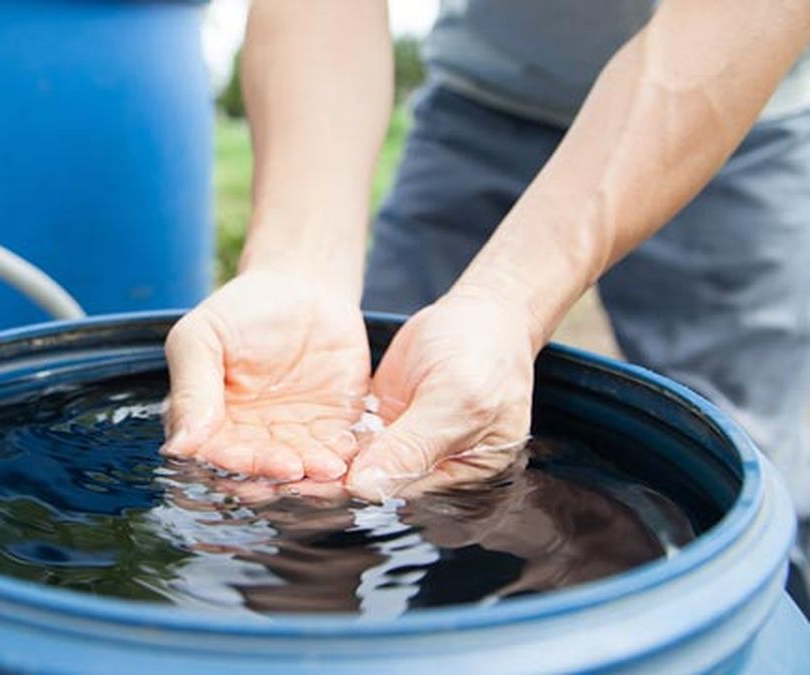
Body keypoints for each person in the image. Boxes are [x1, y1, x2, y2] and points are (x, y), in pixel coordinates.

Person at [161, 0, 810, 597]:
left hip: (735, 105)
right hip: (484, 97)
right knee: (371, 424)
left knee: (739, 504)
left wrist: (509, 300)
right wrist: (296, 267)